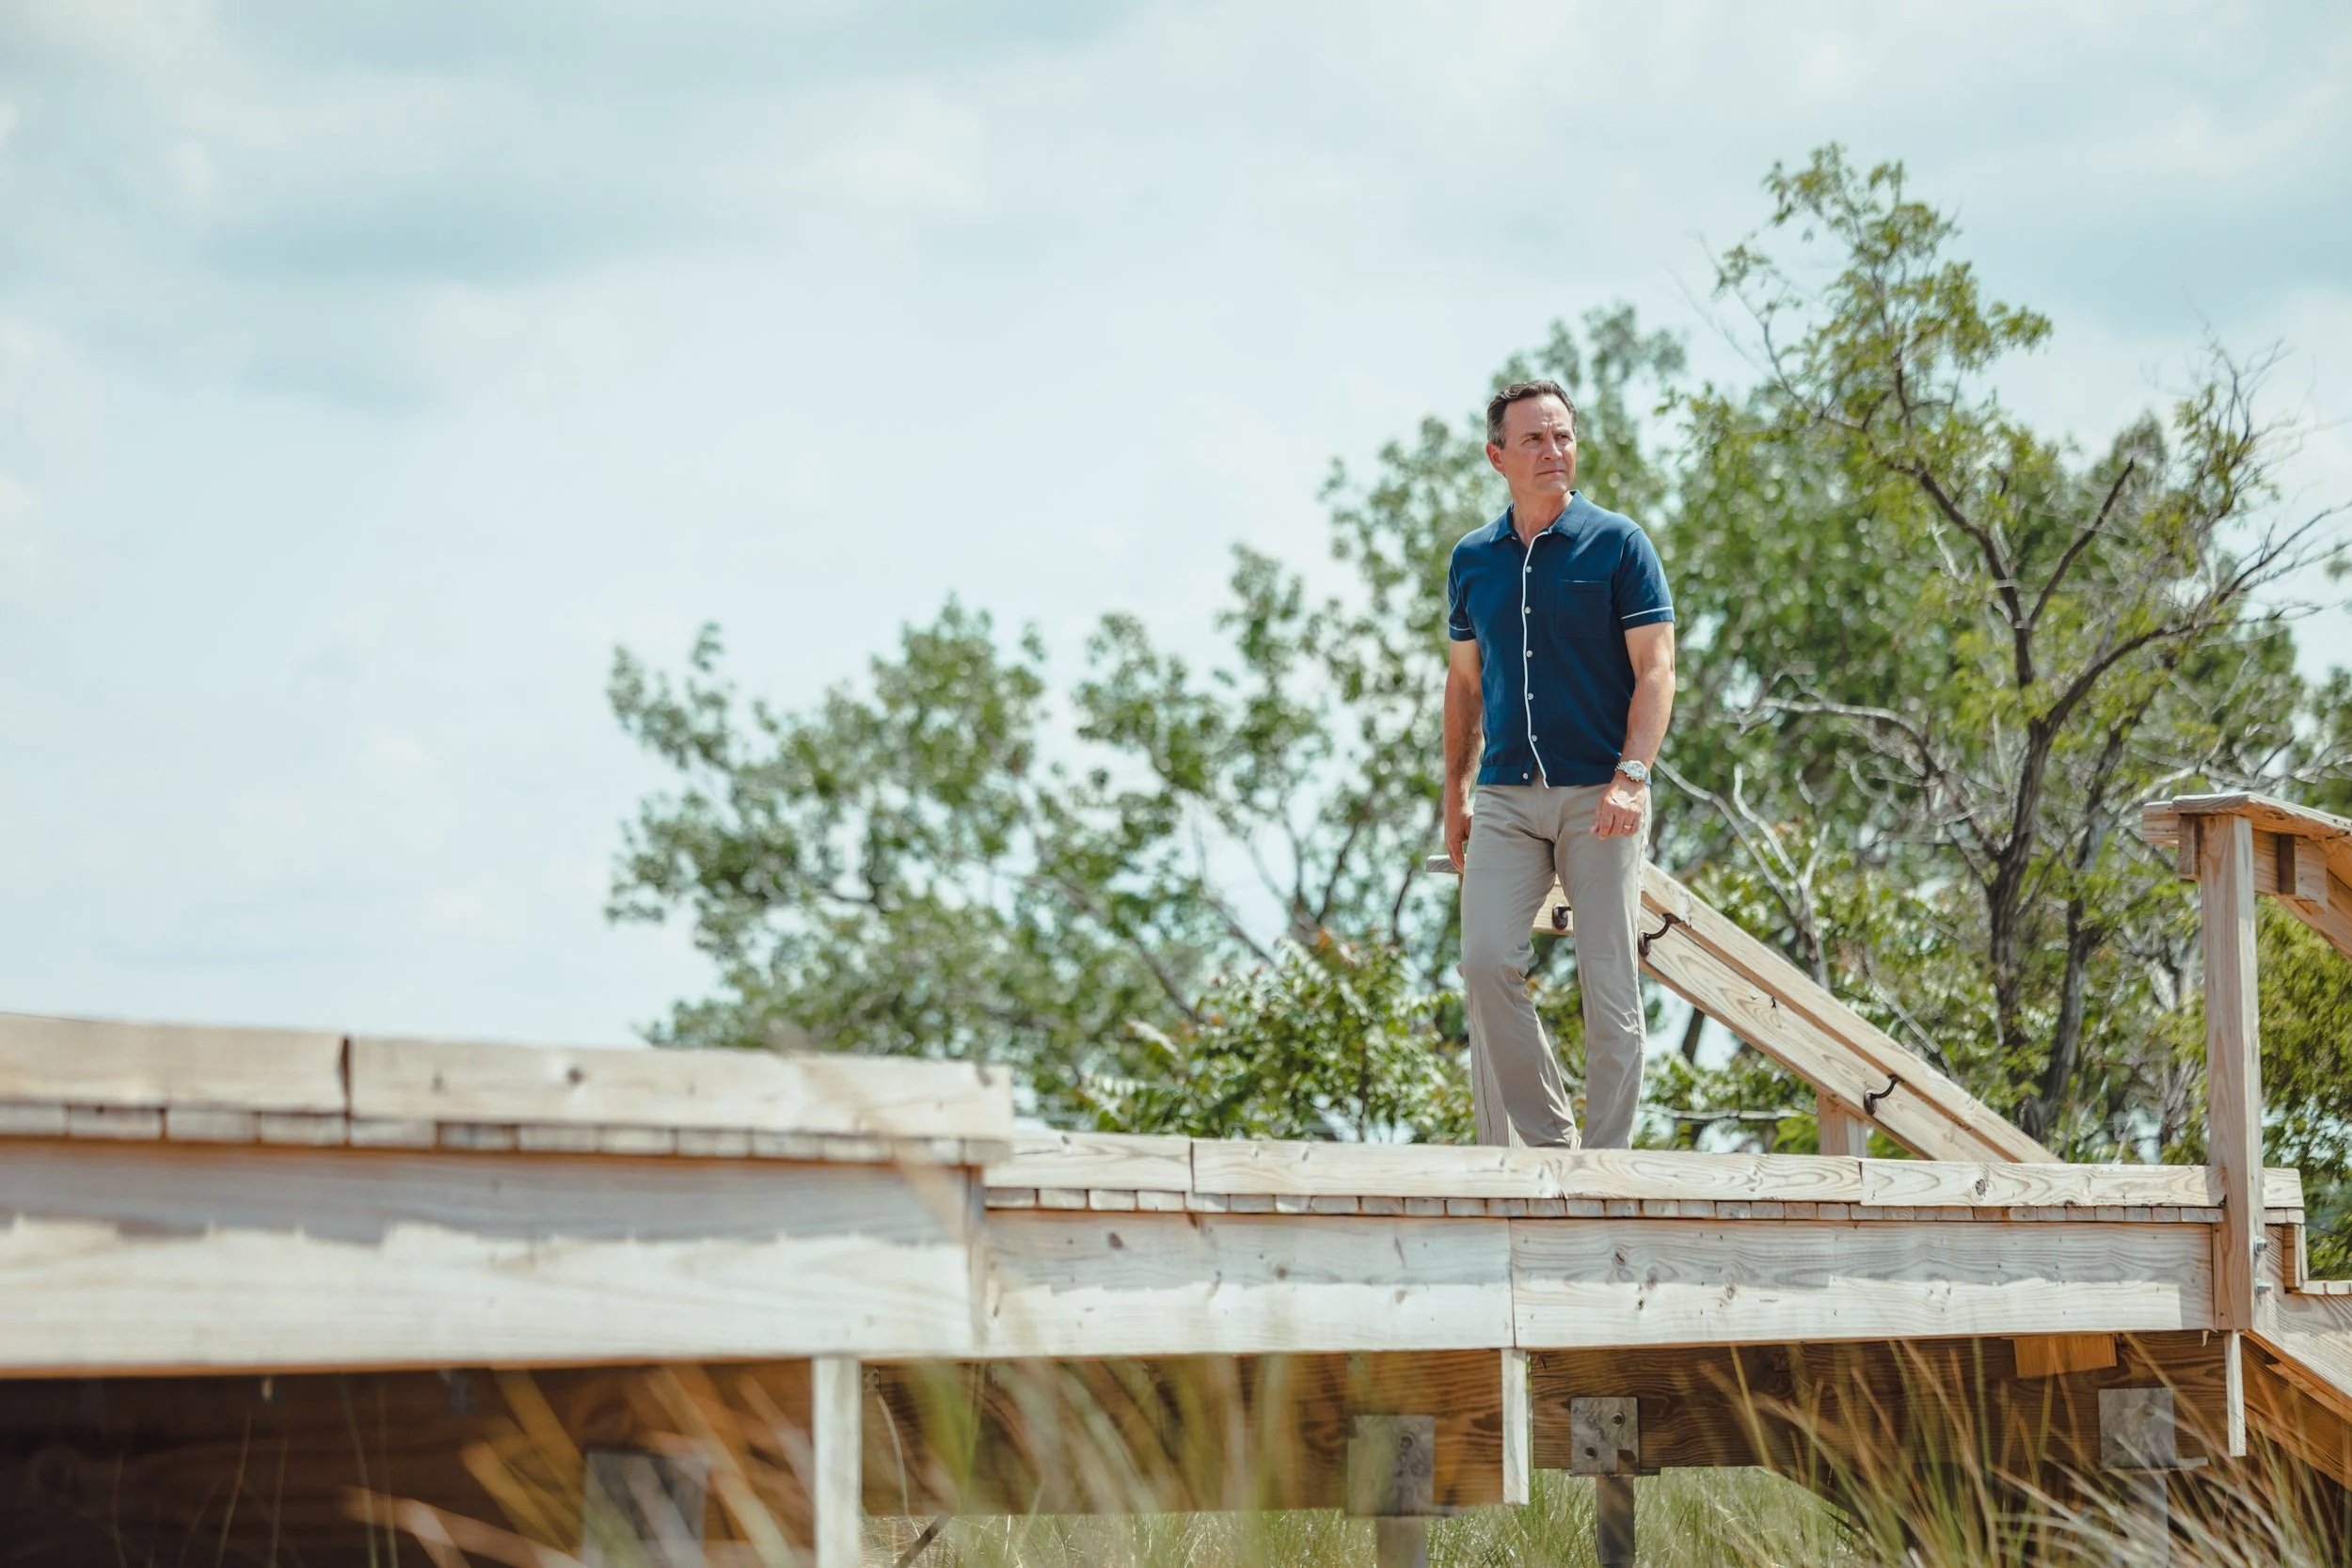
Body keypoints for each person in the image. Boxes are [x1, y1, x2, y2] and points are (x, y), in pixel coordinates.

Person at [1441, 378, 1677, 1149]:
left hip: (1600, 794)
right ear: (1496, 455)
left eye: (1563, 436)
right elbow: (1465, 683)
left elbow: (1657, 669)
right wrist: (1455, 792)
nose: (1553, 450)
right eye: (1535, 439)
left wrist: (1633, 777)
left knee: (1608, 984)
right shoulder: (1472, 560)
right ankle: (1552, 1148)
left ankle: (1604, 1170)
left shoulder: (1619, 543)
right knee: (1484, 965)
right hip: (1506, 795)